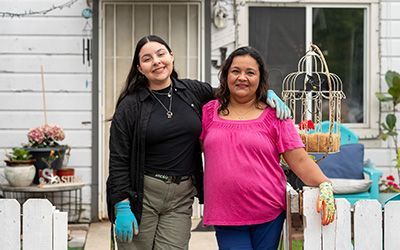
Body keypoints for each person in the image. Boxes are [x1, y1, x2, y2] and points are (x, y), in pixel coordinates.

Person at [106, 35, 290, 250]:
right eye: (147, 59)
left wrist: (264, 93)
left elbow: (233, 93)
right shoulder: (130, 106)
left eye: (161, 54)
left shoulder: (192, 91)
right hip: (142, 194)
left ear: (171, 56)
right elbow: (119, 158)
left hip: (180, 197)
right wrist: (122, 204)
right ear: (139, 67)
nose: (156, 61)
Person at [200, 46, 335, 250]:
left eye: (250, 72)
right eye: (236, 71)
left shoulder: (276, 115)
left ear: (260, 78)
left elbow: (298, 159)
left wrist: (324, 184)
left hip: (268, 212)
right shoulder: (209, 112)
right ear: (226, 75)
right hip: (225, 214)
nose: (242, 77)